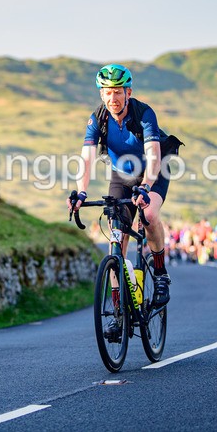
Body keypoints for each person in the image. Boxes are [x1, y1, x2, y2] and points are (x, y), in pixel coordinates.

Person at [68, 64, 174, 317]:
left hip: (153, 171)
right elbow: (86, 159)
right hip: (121, 175)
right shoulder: (98, 118)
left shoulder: (144, 113)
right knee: (116, 237)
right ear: (101, 95)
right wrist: (80, 192)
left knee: (148, 216)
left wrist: (146, 187)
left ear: (128, 92)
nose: (112, 98)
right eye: (107, 92)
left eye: (118, 92)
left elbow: (154, 156)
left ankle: (160, 273)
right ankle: (118, 311)